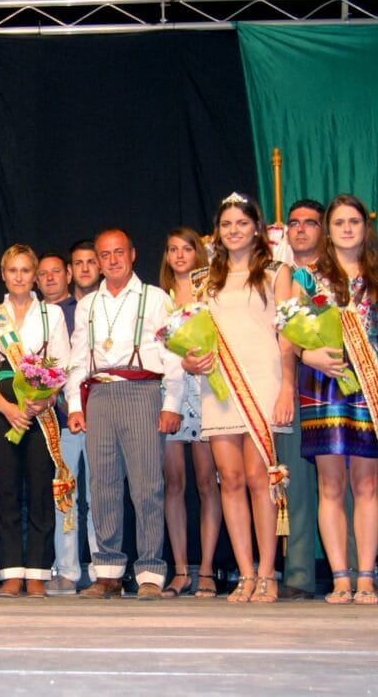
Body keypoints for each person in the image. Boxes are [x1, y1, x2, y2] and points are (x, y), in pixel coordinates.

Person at [184, 194, 295, 603]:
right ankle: (245, 574)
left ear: (256, 228)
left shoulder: (276, 272)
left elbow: (289, 336)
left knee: (258, 478)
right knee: (228, 480)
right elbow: (194, 334)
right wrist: (191, 360)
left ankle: (268, 573)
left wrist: (286, 386)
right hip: (221, 385)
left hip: (262, 382)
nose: (234, 230)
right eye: (227, 224)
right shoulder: (204, 280)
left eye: (241, 223)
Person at [292, 195, 378, 606]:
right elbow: (288, 331)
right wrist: (306, 354)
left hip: (371, 383)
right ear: (328, 228)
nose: (348, 228)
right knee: (331, 484)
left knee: (367, 482)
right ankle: (340, 577)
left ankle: (367, 577)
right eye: (339, 222)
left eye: (354, 221)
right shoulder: (307, 278)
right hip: (324, 382)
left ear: (365, 228)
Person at [65, 229, 184, 601]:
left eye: (119, 252)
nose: (112, 260)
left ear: (132, 254)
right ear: (97, 261)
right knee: (102, 486)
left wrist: (171, 405)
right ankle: (109, 573)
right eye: (104, 255)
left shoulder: (155, 298)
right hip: (99, 394)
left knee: (147, 485)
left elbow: (174, 354)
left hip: (142, 392)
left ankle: (150, 571)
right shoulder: (87, 305)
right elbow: (76, 360)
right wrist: (74, 405)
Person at [0, 245, 71, 598]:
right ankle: (11, 570)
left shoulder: (52, 315)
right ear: (3, 274)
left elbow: (61, 365)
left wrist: (44, 399)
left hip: (40, 406)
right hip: (4, 406)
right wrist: (7, 408)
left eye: (25, 271)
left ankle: (38, 572)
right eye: (12, 270)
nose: (19, 277)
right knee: (8, 489)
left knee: (40, 488)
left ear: (34, 275)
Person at [158, 227, 222, 598]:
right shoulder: (160, 299)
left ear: (199, 253)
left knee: (206, 481)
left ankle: (208, 569)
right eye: (172, 249)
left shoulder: (212, 294)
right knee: (174, 483)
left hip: (207, 391)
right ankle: (181, 570)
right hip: (171, 393)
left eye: (187, 249)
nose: (180, 255)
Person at [37, 251, 98, 596]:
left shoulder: (86, 311)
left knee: (100, 494)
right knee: (65, 494)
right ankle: (67, 569)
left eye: (56, 272)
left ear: (68, 275)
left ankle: (103, 566)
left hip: (96, 412)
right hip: (57, 418)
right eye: (42, 273)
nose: (49, 279)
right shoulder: (37, 315)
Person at [280, 198, 325, 600]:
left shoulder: (338, 275)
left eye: (310, 223)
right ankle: (298, 574)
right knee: (294, 483)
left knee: (340, 480)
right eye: (294, 223)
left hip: (334, 381)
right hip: (292, 382)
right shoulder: (278, 275)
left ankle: (352, 569)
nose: (301, 229)